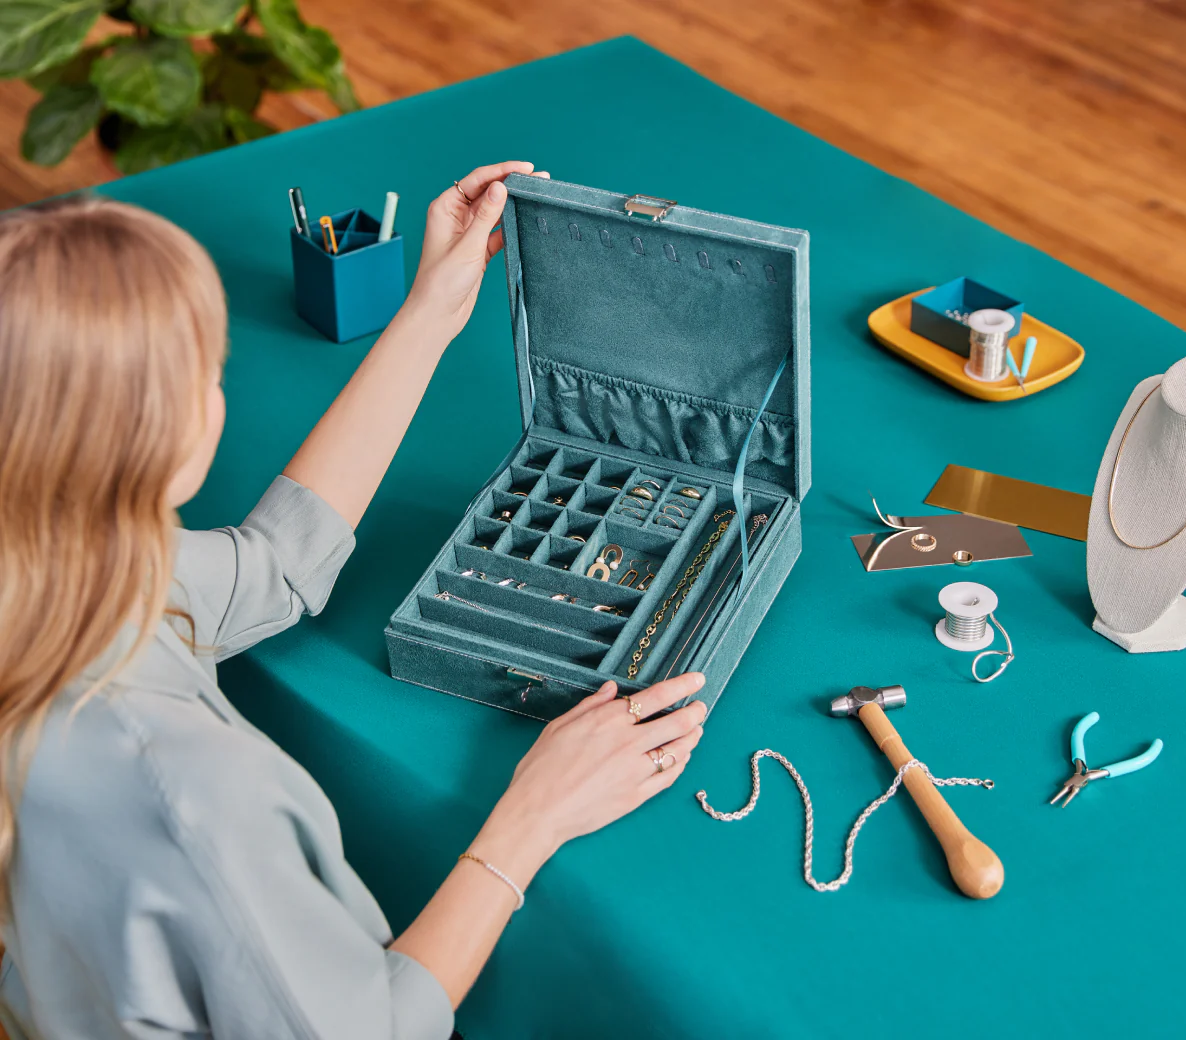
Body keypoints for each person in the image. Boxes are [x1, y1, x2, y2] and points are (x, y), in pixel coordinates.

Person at [0, 162, 707, 1040]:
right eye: (210, 374)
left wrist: (429, 314)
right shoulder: (195, 792)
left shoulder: (55, 573)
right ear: (172, 439)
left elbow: (276, 564)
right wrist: (533, 818)